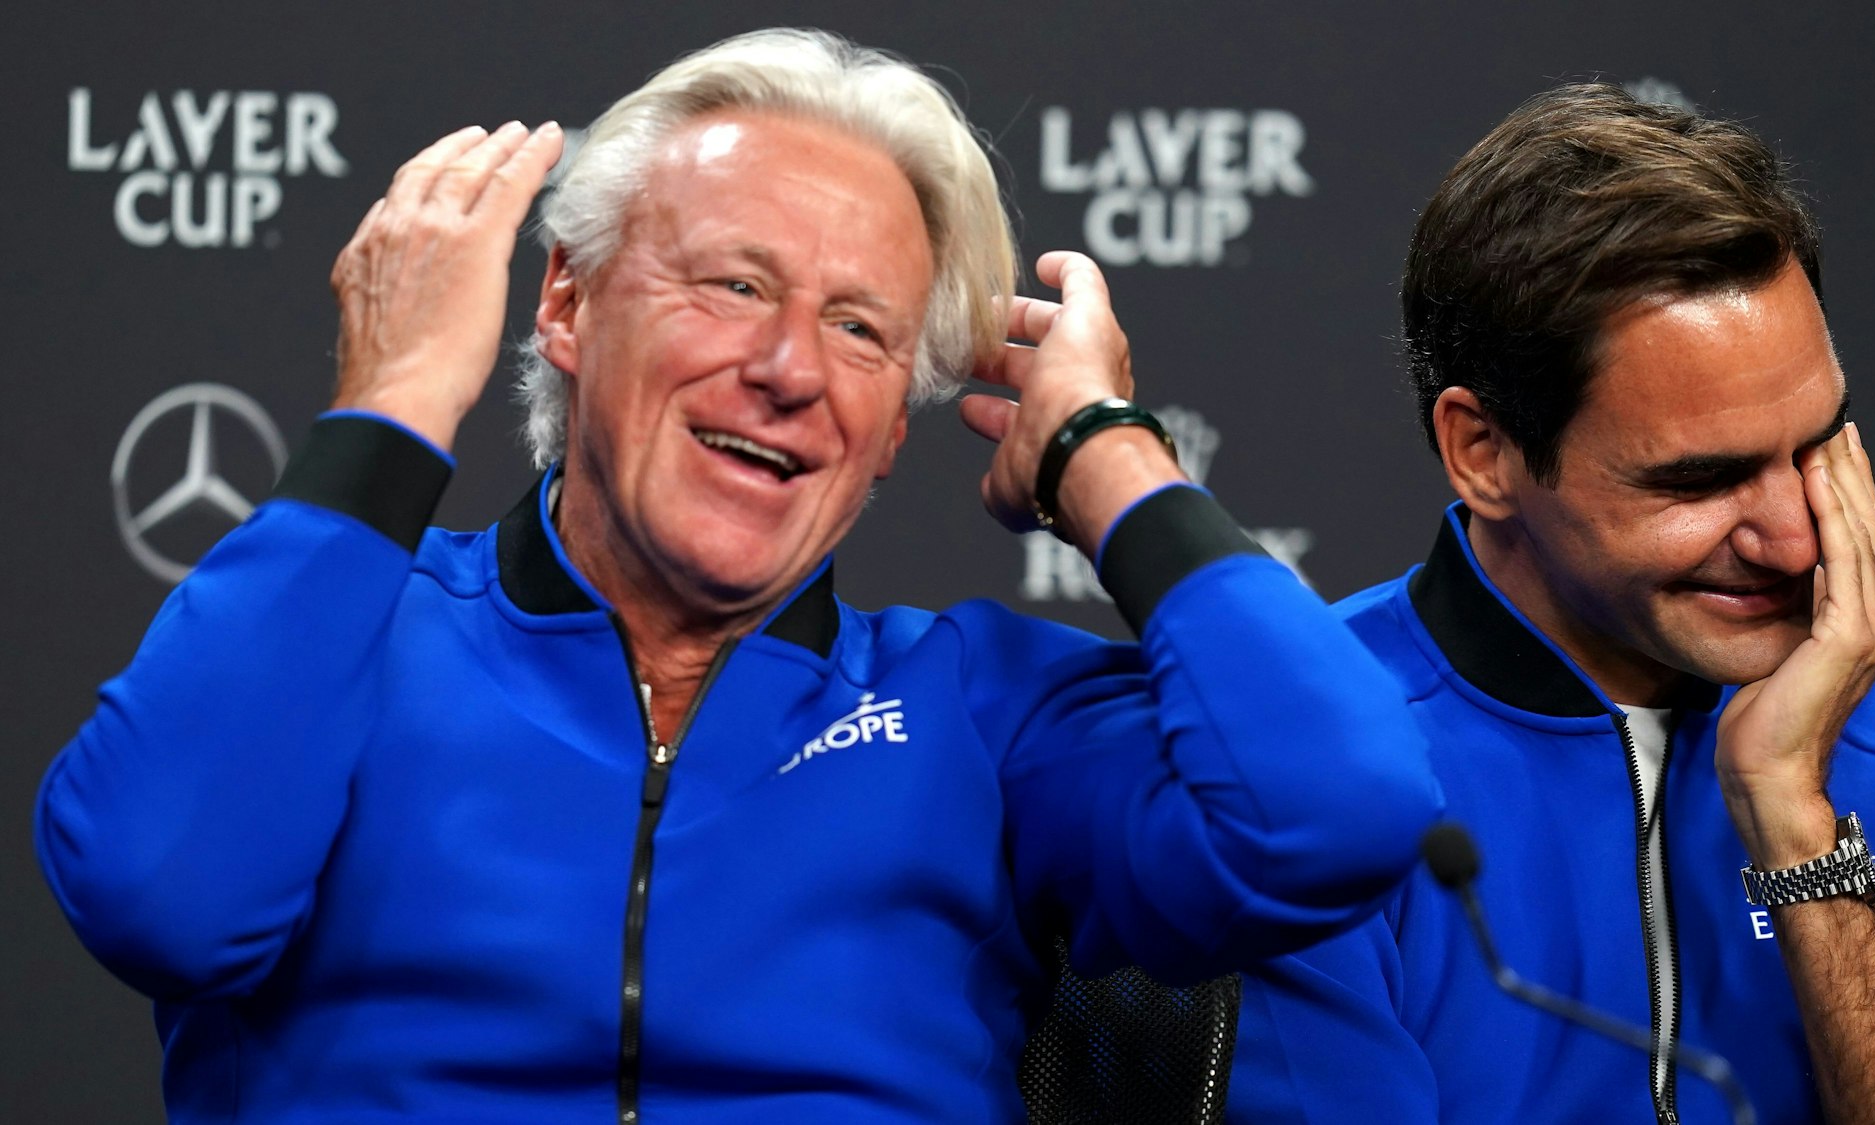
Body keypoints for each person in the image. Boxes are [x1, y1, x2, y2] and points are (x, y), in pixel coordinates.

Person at [35, 29, 1441, 1125]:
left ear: (897, 425)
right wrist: (397, 398)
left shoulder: (983, 710)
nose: (787, 371)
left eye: (858, 328)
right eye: (733, 286)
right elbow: (157, 891)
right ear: (569, 305)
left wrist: (1105, 453)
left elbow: (1342, 809)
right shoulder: (345, 640)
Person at [1226, 84, 1875, 1124]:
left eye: (1814, 448)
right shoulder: (1298, 759)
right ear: (1483, 454)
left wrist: (1793, 822)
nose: (1794, 536)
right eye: (1698, 480)